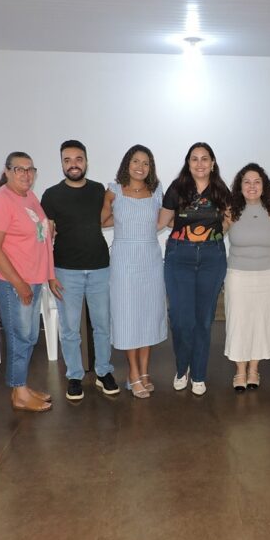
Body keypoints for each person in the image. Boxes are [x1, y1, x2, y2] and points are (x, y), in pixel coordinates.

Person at [41, 140, 117, 401]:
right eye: (67, 160)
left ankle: (104, 372)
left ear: (86, 161)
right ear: (62, 164)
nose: (73, 164)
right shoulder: (51, 195)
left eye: (78, 159)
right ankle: (74, 376)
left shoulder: (98, 190)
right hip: (65, 271)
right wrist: (50, 274)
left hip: (100, 268)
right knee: (70, 328)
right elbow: (46, 238)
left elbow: (106, 218)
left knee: (103, 325)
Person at [0, 152, 55, 412]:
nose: (26, 174)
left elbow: (39, 234)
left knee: (29, 335)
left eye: (30, 169)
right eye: (19, 169)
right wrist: (19, 284)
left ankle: (21, 387)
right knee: (19, 336)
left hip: (32, 278)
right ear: (7, 172)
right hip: (12, 281)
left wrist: (48, 274)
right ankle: (19, 392)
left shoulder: (29, 197)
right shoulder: (0, 200)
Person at [158, 142, 230, 396]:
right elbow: (161, 222)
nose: (200, 163)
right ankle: (182, 369)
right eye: (194, 159)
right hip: (180, 256)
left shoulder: (221, 190)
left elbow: (228, 221)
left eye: (205, 158)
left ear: (212, 163)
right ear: (188, 163)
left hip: (212, 258)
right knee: (180, 319)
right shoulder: (177, 188)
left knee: (203, 320)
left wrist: (213, 235)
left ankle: (198, 373)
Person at [102, 144, 167, 399]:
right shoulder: (114, 190)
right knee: (128, 316)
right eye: (136, 161)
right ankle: (133, 372)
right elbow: (101, 220)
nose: (140, 167)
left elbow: (164, 220)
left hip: (150, 258)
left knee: (148, 315)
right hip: (124, 260)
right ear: (127, 163)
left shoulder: (157, 191)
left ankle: (145, 371)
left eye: (146, 163)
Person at [224, 163, 270, 392]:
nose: (252, 186)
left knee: (262, 321)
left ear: (264, 186)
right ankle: (240, 371)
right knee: (239, 321)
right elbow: (215, 234)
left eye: (257, 182)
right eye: (246, 182)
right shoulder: (230, 211)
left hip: (268, 274)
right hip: (238, 275)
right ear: (239, 186)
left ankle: (254, 369)